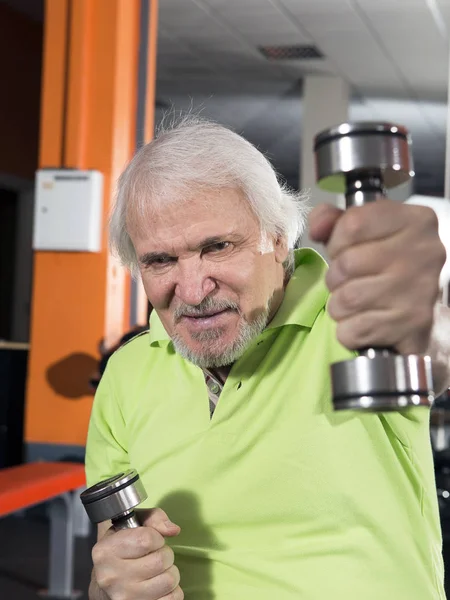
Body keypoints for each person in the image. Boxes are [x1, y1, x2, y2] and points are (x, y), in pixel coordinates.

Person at [85, 116, 450, 600]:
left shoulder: (355, 327)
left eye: (217, 247)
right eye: (161, 261)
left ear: (278, 238)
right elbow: (110, 564)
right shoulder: (127, 373)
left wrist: (424, 309)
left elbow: (430, 346)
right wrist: (110, 584)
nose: (192, 290)